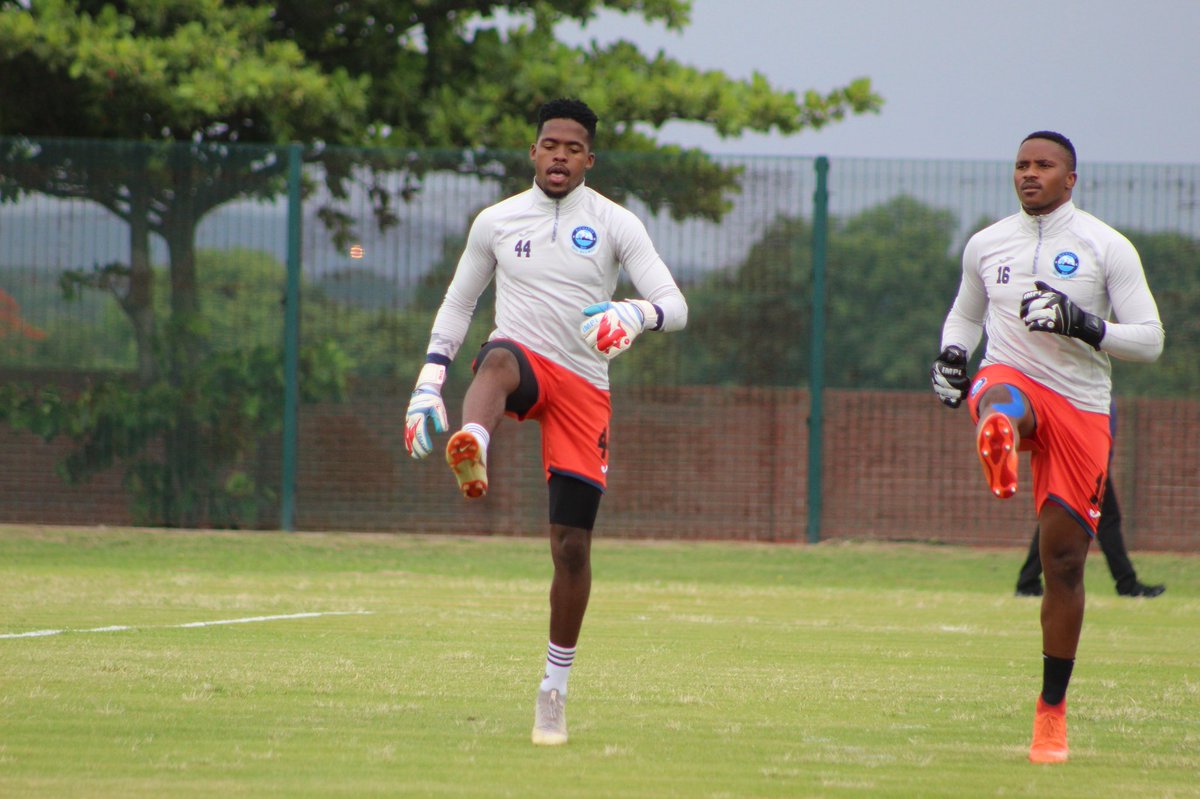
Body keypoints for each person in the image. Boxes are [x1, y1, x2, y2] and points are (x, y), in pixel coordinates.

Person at [403, 98, 688, 746]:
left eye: (572, 147)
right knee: (497, 357)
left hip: (584, 386)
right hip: (523, 362)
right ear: (532, 152)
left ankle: (553, 687)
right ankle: (473, 437)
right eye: (548, 144)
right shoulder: (497, 222)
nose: (558, 155)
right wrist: (427, 382)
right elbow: (459, 303)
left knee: (571, 546)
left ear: (589, 158)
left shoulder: (617, 224)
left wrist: (636, 315)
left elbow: (676, 305)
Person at [930, 131, 1164, 764]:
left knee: (1063, 565)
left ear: (1071, 178)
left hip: (1082, 408)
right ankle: (998, 433)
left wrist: (1082, 323)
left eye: (1043, 165)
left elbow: (1149, 341)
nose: (1028, 174)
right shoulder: (987, 243)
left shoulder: (1105, 246)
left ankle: (1050, 715)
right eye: (1020, 165)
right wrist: (954, 355)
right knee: (1002, 393)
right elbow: (966, 315)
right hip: (1012, 376)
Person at [1015, 401, 1164, 598]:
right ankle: (1127, 583)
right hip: (1087, 466)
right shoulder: (1089, 391)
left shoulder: (1094, 389)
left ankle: (1027, 582)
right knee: (1106, 522)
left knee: (1055, 520)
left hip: (1087, 464)